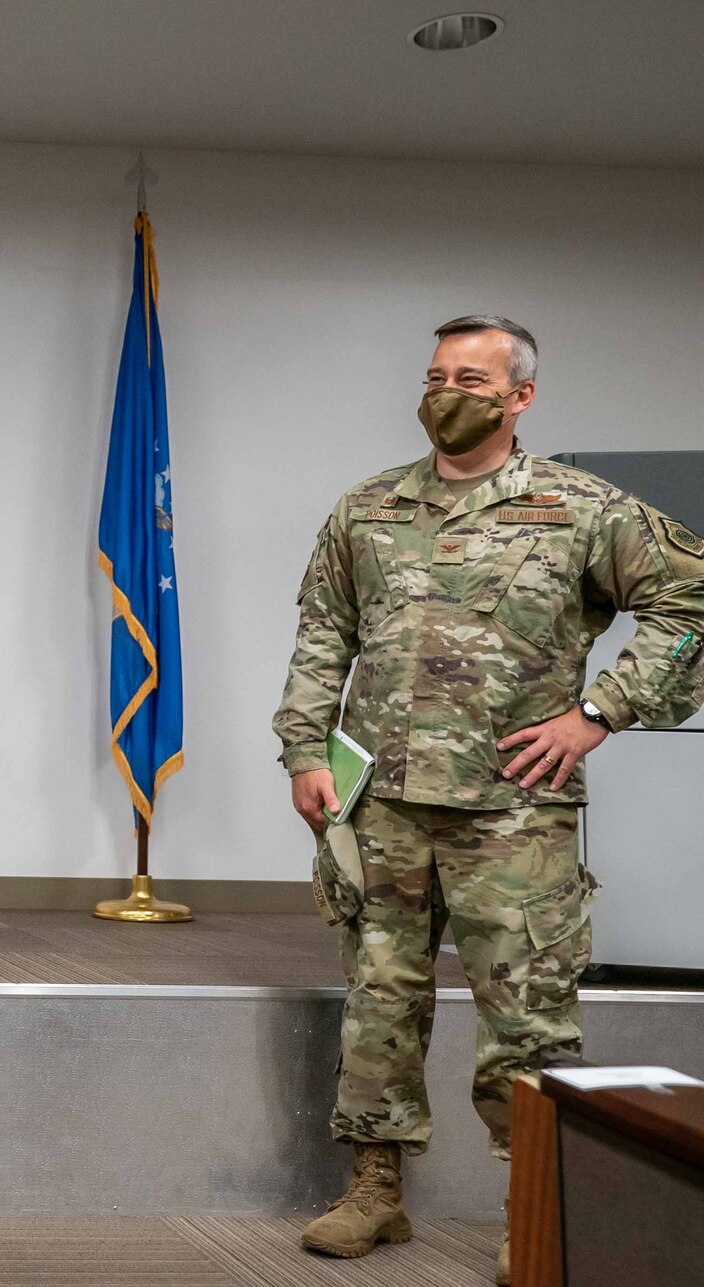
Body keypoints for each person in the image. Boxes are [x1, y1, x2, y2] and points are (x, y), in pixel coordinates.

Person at [273, 315, 704, 1284]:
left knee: (526, 1015)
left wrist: (598, 710)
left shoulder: (580, 509)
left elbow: (692, 601)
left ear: (519, 397)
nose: (444, 391)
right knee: (377, 1000)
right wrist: (304, 749)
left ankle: (533, 1205)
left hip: (514, 811)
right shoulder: (365, 510)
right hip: (376, 803)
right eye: (432, 374)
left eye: (469, 377)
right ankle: (373, 1191)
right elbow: (319, 635)